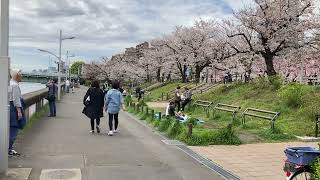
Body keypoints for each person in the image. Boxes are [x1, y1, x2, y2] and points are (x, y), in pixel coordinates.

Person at [8, 69, 26, 157]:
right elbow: (16, 99)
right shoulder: (15, 85)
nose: (22, 76)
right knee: (13, 129)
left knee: (8, 129)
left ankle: (8, 149)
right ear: (16, 76)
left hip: (9, 108)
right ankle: (9, 149)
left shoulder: (9, 84)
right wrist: (19, 111)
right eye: (21, 75)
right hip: (13, 109)